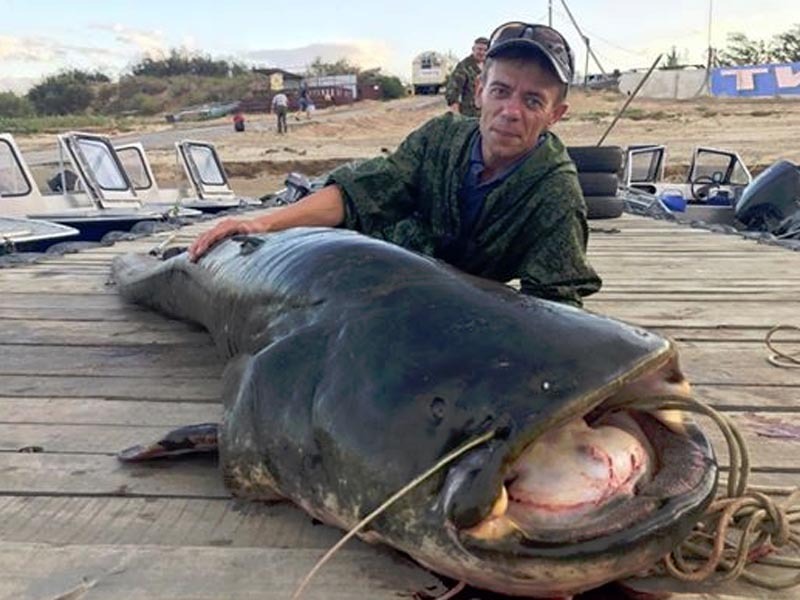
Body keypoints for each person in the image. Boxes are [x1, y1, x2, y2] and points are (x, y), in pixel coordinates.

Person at [189, 21, 601, 307]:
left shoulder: (556, 193)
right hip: (375, 268)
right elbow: (361, 192)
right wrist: (263, 223)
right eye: (501, 91)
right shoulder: (440, 137)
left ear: (555, 115)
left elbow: (555, 301)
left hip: (461, 306)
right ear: (479, 92)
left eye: (532, 101)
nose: (511, 111)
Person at [445, 36, 489, 117]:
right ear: (473, 49)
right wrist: (456, 114)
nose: (482, 52)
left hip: (487, 113)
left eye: (485, 50)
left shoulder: (491, 66)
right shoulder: (464, 66)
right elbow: (452, 90)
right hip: (470, 115)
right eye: (479, 49)